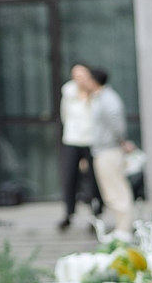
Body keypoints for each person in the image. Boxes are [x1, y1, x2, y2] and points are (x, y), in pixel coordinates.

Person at [88, 67, 135, 237]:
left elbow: (116, 123)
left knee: (116, 191)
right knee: (112, 192)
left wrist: (122, 141)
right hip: (104, 149)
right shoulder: (100, 97)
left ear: (94, 81)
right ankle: (122, 227)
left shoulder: (108, 98)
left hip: (110, 150)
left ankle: (124, 229)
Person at [57, 64, 102, 231]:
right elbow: (65, 115)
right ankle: (69, 213)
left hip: (92, 140)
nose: (79, 79)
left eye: (81, 75)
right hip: (72, 139)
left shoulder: (96, 92)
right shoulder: (68, 92)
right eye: (75, 75)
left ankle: (96, 214)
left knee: (94, 178)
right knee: (69, 177)